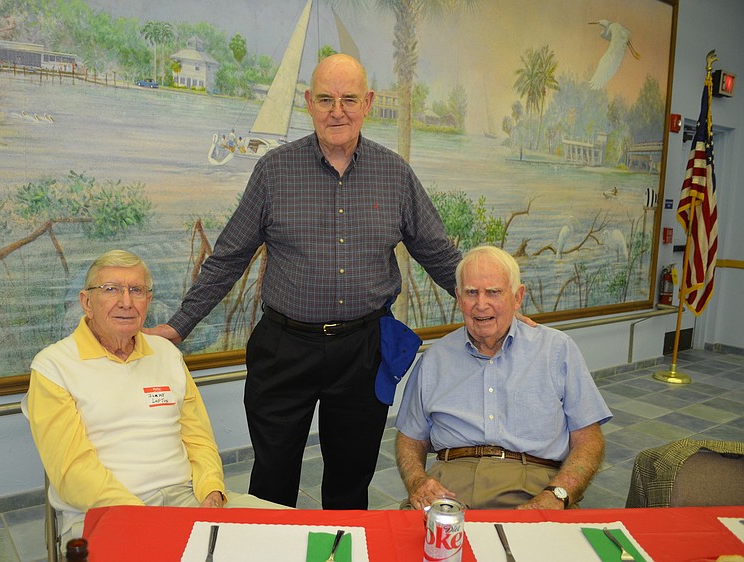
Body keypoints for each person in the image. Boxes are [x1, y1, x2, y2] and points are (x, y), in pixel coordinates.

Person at [145, 53, 463, 510]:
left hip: (363, 351)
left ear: (368, 102)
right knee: (271, 484)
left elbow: (438, 253)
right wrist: (178, 326)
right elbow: (228, 258)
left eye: (349, 99)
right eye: (327, 99)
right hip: (284, 350)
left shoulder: (395, 174)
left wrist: (491, 308)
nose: (338, 111)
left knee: (350, 485)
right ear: (309, 103)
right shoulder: (274, 171)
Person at [22, 250, 279, 545]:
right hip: (104, 511)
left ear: (148, 300)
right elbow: (72, 471)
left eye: (137, 290)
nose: (126, 302)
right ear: (86, 302)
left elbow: (199, 439)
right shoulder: (53, 367)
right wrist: (146, 518)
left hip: (188, 497)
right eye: (111, 290)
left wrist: (211, 490)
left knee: (288, 535)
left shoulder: (166, 353)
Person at [395, 245, 611, 510]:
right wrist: (418, 481)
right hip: (449, 490)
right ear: (459, 297)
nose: (480, 304)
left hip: (533, 486)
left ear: (517, 297)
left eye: (493, 292)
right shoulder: (434, 359)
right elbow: (410, 438)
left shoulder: (556, 350)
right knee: (404, 546)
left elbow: (589, 440)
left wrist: (558, 495)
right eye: (471, 292)